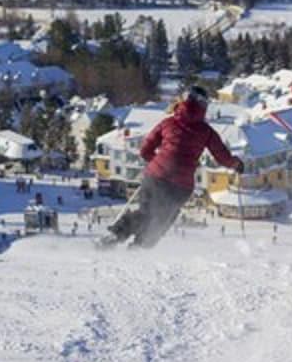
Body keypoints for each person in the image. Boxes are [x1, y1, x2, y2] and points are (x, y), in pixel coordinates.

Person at [103, 85, 244, 249]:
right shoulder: (206, 131)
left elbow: (145, 150)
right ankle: (139, 248)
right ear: (204, 107)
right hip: (180, 185)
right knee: (162, 220)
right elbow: (222, 156)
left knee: (145, 212)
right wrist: (236, 164)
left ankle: (115, 235)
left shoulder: (167, 123)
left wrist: (158, 163)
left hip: (155, 176)